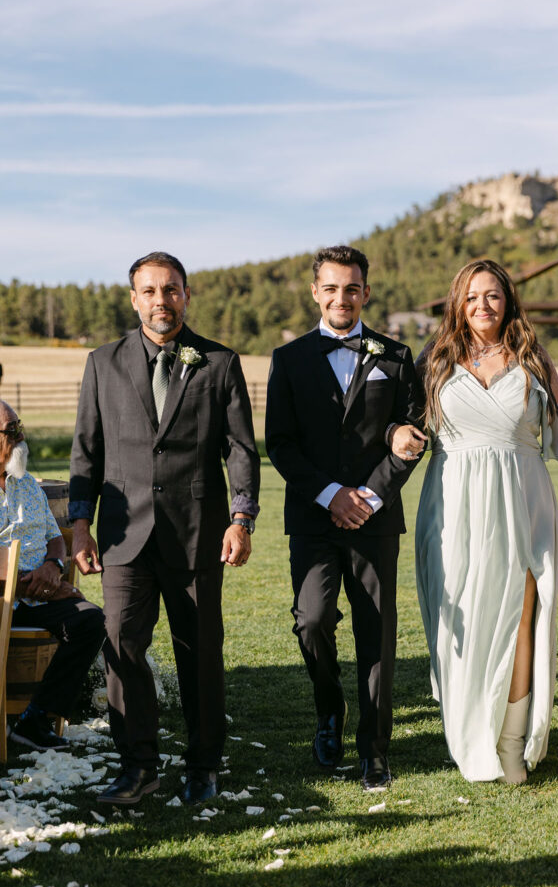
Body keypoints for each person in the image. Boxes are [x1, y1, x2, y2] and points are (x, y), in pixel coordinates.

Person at [392, 259, 558, 783]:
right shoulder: (434, 359)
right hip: (453, 502)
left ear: (507, 301)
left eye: (492, 295)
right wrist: (397, 434)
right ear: (457, 304)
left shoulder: (533, 357)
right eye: (471, 296)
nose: (482, 305)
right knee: (459, 616)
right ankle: (470, 735)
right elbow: (403, 422)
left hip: (523, 498)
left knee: (520, 614)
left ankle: (511, 742)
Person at [69, 252, 260, 806]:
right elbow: (86, 451)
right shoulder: (102, 363)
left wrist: (241, 518)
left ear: (186, 296)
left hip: (197, 532)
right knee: (122, 648)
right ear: (134, 299)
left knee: (199, 652)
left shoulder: (219, 362)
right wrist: (80, 525)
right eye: (149, 291)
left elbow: (240, 449)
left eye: (171, 289)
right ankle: (138, 767)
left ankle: (203, 766)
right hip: (122, 536)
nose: (161, 300)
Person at [266, 245, 423, 791]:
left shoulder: (396, 356)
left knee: (376, 633)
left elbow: (411, 436)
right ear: (316, 292)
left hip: (375, 520)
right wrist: (331, 495)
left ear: (366, 293)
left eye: (352, 288)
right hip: (313, 518)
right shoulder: (288, 359)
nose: (342, 298)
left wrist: (369, 497)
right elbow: (280, 444)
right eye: (331, 288)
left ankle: (374, 749)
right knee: (312, 620)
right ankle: (329, 710)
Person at [0, 401, 105, 751]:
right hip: (4, 598)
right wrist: (39, 586)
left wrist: (54, 567)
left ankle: (35, 719)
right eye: (11, 431)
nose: (21, 437)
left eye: (20, 427)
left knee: (91, 620)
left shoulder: (27, 484)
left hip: (38, 594)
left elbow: (55, 537)